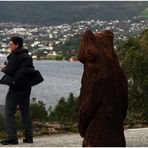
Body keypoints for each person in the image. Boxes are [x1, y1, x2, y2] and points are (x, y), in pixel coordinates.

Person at [77, 30, 128, 147]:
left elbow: (87, 104)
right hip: (117, 134)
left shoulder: (94, 71)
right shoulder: (117, 71)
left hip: (96, 136)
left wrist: (82, 126)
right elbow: (124, 103)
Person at [0, 36, 34, 145]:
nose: (9, 45)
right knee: (25, 112)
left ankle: (12, 138)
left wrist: (2, 67)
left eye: (10, 44)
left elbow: (9, 70)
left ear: (16, 45)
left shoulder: (14, 56)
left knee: (9, 112)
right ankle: (29, 137)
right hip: (26, 88)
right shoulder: (27, 56)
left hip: (15, 88)